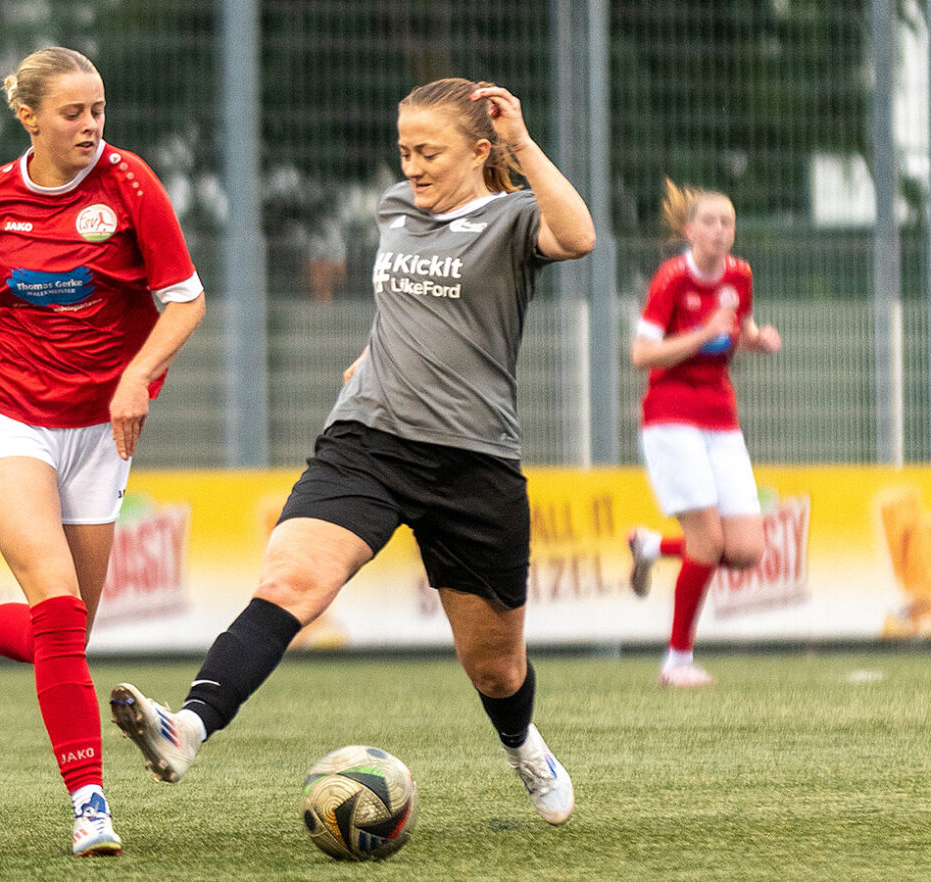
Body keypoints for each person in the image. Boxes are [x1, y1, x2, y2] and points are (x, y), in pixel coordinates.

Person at [109, 77, 594, 827]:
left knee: (496, 667)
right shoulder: (395, 208)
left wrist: (524, 145)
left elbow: (580, 238)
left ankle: (523, 746)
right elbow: (404, 308)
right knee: (291, 582)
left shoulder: (512, 219)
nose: (414, 166)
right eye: (404, 151)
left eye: (429, 152)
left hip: (472, 463)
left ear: (479, 148)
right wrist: (371, 355)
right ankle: (187, 728)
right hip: (366, 440)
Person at [0, 47, 206, 857]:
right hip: (9, 421)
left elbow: (184, 300)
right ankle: (91, 806)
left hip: (100, 436)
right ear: (30, 117)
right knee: (59, 608)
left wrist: (137, 375)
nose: (90, 127)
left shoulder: (131, 185)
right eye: (73, 113)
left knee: (66, 636)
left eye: (99, 111)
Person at [625, 180, 782, 687]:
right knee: (708, 541)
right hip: (671, 418)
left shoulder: (740, 275)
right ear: (690, 231)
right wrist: (702, 333)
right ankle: (677, 662)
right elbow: (642, 355)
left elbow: (741, 328)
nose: (720, 231)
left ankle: (651, 546)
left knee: (745, 550)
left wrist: (758, 339)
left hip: (721, 418)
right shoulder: (672, 280)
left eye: (728, 222)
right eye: (710, 222)